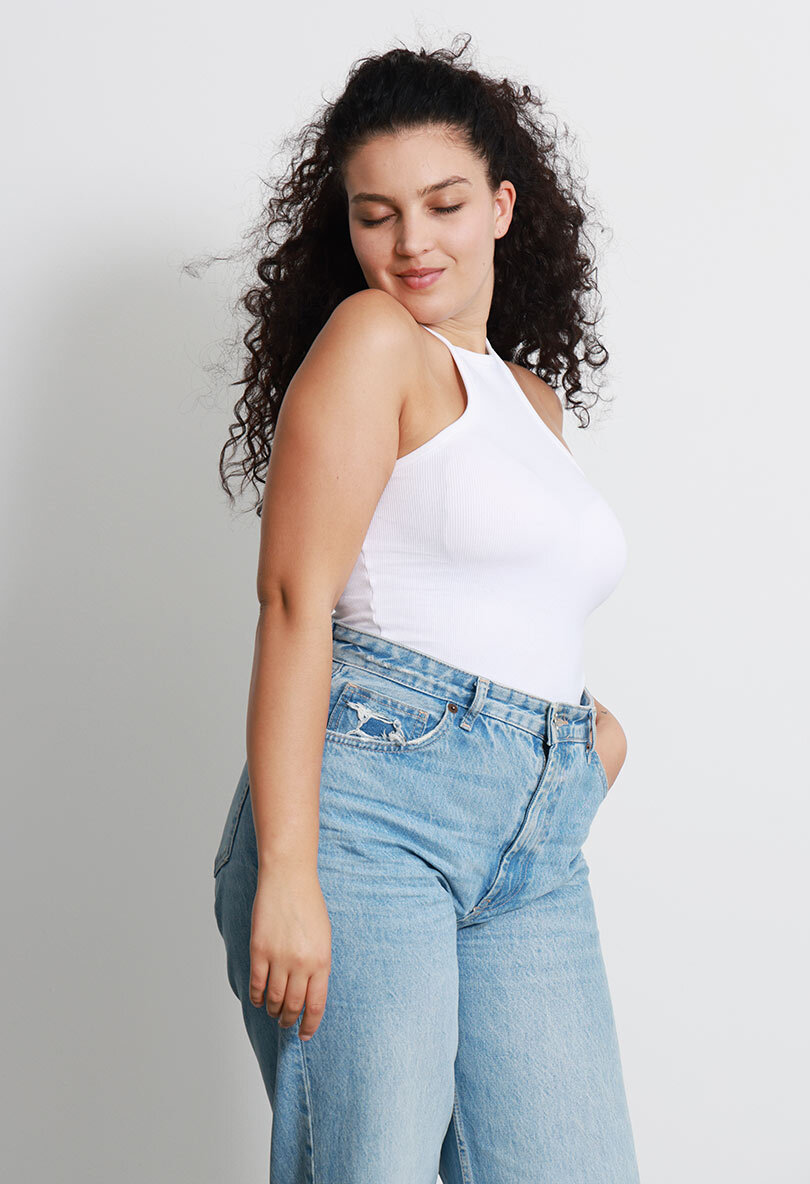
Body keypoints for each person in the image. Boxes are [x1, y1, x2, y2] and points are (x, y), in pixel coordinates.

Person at [212, 38, 640, 1184]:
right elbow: (294, 600)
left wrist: (577, 743)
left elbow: (516, 602)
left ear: (500, 205)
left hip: (530, 848)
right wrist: (287, 867)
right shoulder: (372, 342)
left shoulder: (530, 402)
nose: (410, 242)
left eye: (443, 204)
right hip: (367, 819)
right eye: (376, 213)